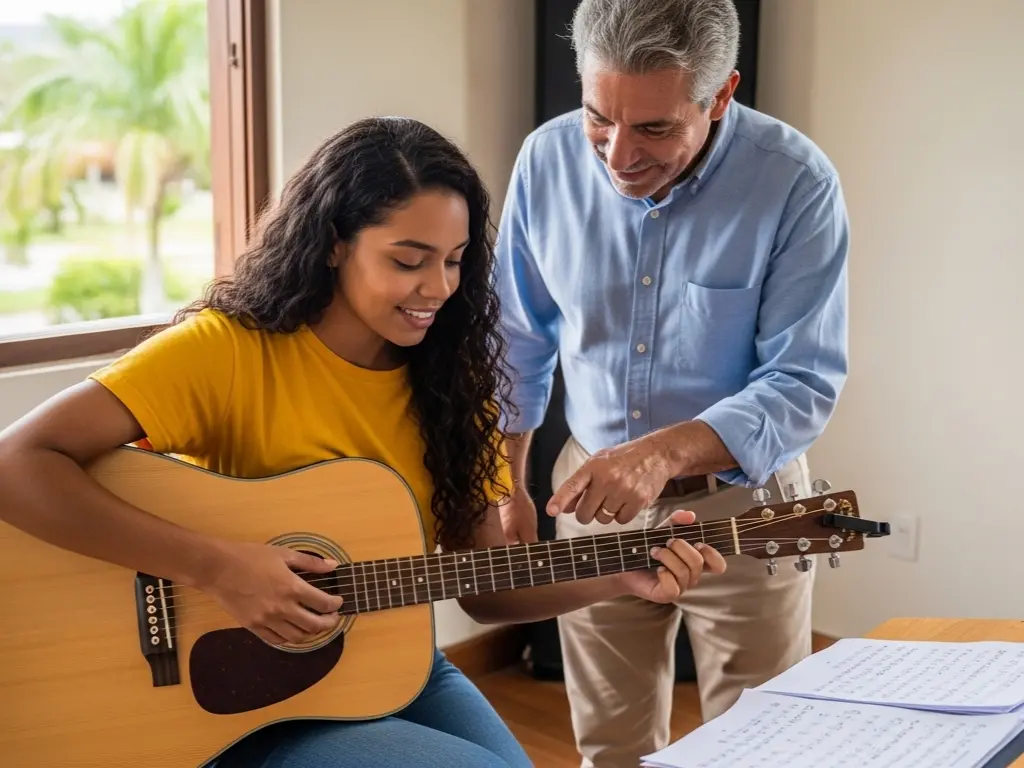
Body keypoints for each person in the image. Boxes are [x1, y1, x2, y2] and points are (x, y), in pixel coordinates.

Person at [0, 116, 727, 767]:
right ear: (332, 246)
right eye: (408, 261)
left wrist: (623, 578)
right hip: (226, 698)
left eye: (455, 260)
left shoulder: (454, 387)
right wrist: (219, 567)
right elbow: (16, 464)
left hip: (384, 659)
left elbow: (486, 592)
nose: (437, 288)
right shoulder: (227, 352)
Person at [494, 0, 850, 766]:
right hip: (588, 498)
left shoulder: (796, 183)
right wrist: (508, 483)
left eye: (654, 129)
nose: (618, 155)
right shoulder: (545, 161)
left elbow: (802, 380)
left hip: (749, 509)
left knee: (762, 752)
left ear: (721, 96)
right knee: (609, 749)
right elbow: (518, 340)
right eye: (599, 116)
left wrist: (659, 454)